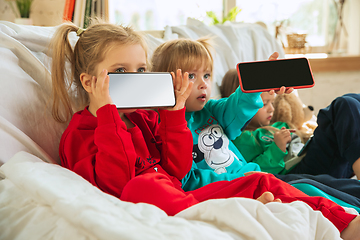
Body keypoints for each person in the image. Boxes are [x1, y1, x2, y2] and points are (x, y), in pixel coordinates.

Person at [50, 22, 360, 239]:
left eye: (142, 70)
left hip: (184, 194)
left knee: (258, 179)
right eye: (121, 72)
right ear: (89, 82)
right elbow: (117, 184)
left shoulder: (149, 118)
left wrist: (173, 116)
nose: (136, 78)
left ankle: (347, 224)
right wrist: (107, 115)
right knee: (141, 187)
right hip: (151, 197)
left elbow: (177, 168)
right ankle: (237, 212)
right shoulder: (80, 132)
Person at [221, 68, 360, 179]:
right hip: (296, 174)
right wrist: (277, 148)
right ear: (243, 105)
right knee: (344, 105)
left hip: (317, 161)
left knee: (353, 99)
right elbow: (253, 173)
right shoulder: (243, 139)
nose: (271, 109)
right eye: (264, 104)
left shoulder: (272, 125)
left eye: (273, 102)